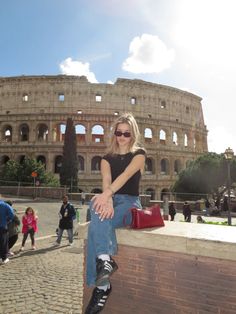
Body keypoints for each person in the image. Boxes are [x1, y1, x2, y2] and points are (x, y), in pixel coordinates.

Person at [85, 112, 146, 314]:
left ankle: (101, 287)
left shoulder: (139, 154)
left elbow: (126, 175)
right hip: (111, 198)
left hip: (130, 204)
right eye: (119, 132)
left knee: (97, 218)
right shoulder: (106, 158)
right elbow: (107, 180)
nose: (121, 136)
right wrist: (107, 198)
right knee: (97, 209)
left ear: (133, 134)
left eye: (126, 133)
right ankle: (105, 263)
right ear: (114, 134)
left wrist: (108, 196)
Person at [0, 200, 14, 264]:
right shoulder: (5, 205)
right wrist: (6, 220)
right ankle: (4, 258)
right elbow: (11, 215)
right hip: (2, 226)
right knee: (3, 242)